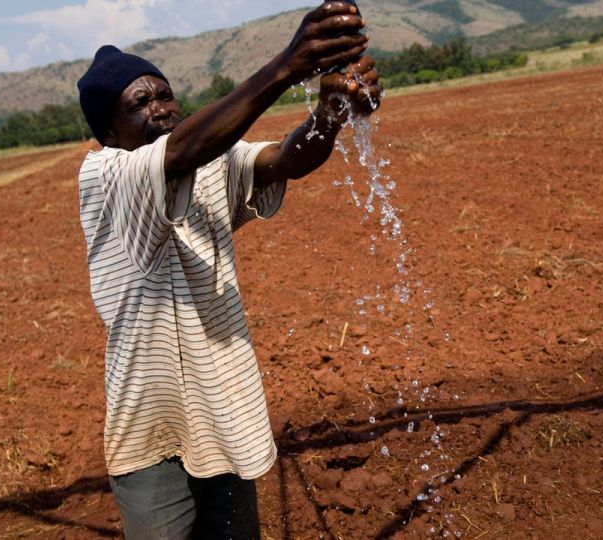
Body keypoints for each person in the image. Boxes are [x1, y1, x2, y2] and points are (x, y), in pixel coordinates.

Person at [75, 2, 381, 538]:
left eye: (165, 94)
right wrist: (286, 66)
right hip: (150, 424)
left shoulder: (206, 158)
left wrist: (329, 114)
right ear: (109, 130)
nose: (161, 108)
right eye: (139, 103)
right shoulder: (106, 174)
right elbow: (184, 148)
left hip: (223, 408)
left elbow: (285, 160)